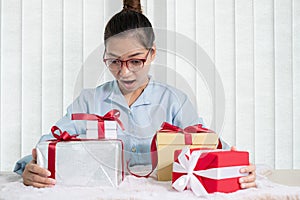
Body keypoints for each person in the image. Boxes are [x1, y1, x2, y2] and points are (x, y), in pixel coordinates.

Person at [15, 0, 256, 189]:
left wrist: (238, 167)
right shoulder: (89, 102)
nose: (125, 72)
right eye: (114, 62)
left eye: (135, 61)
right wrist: (33, 167)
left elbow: (210, 146)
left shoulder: (174, 101)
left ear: (152, 53)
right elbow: (49, 145)